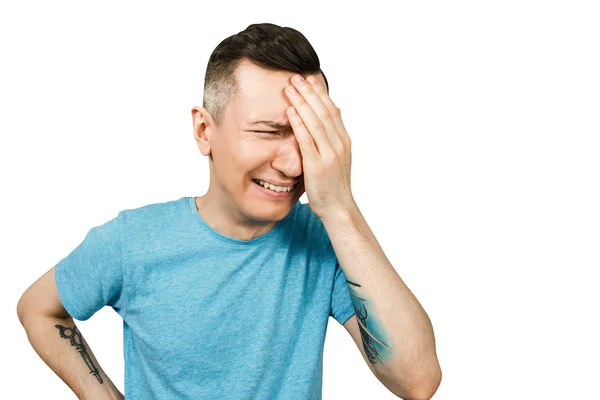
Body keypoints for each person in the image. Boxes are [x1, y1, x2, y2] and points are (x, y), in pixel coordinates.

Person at [17, 23, 441, 399]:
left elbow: (418, 382)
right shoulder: (132, 242)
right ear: (205, 131)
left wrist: (340, 207)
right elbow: (38, 307)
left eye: (309, 135)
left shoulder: (326, 241)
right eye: (268, 132)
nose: (294, 165)